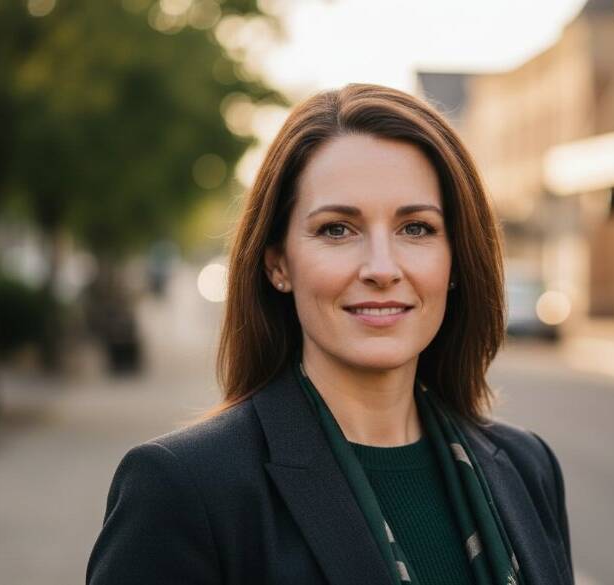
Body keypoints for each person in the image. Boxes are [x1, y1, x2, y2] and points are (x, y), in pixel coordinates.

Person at [86, 83, 574, 585]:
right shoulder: (185, 489)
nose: (382, 268)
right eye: (338, 229)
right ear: (278, 264)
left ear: (455, 259)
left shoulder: (526, 467)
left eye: (417, 229)